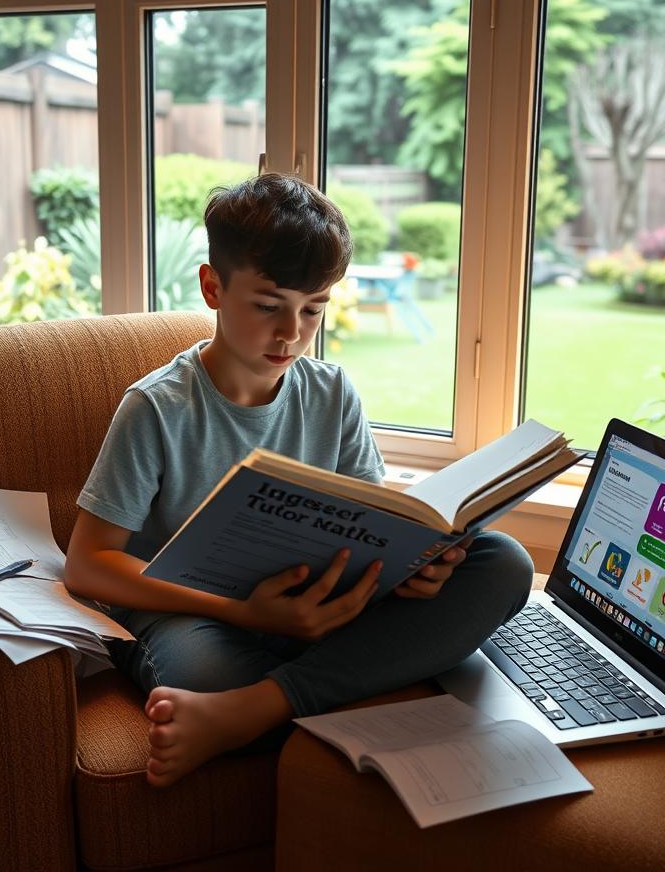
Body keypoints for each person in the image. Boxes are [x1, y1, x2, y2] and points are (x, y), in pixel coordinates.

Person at [64, 172, 534, 788]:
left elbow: (373, 529)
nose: (291, 333)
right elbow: (89, 566)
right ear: (213, 287)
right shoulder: (157, 408)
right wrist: (245, 608)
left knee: (504, 565)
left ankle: (259, 708)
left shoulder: (333, 393)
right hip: (192, 618)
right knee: (208, 675)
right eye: (268, 306)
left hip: (315, 604)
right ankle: (323, 685)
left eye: (313, 309)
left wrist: (415, 567)